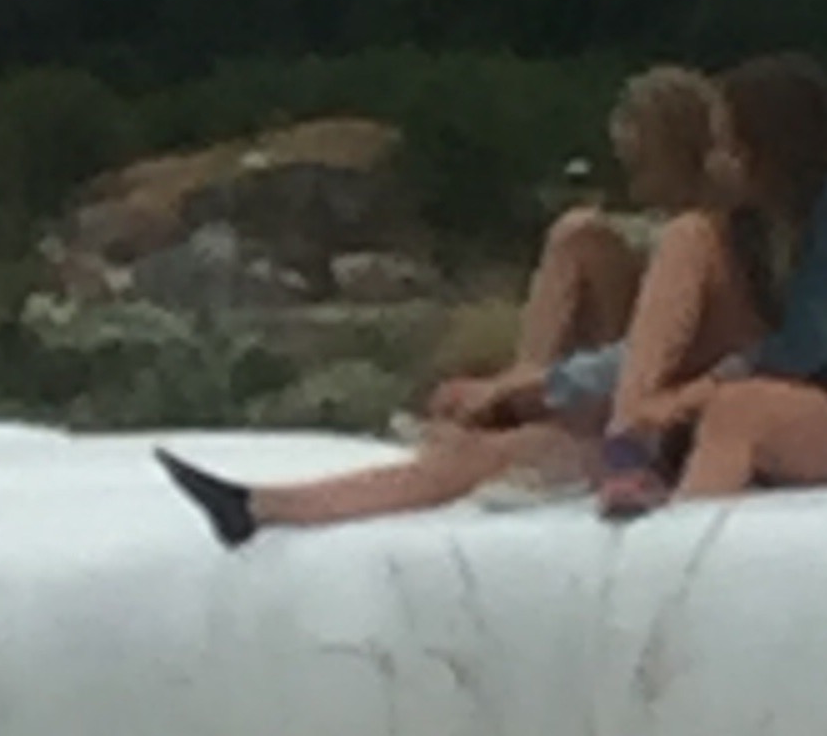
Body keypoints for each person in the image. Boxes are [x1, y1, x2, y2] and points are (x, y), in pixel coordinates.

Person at [155, 65, 772, 546]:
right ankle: (262, 505)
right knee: (576, 240)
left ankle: (266, 507)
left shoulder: (698, 243)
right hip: (651, 415)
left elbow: (657, 358)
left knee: (475, 461)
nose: (630, 182)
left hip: (656, 433)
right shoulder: (722, 242)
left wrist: (531, 385)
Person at [597, 51, 827, 515]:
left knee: (739, 411)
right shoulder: (754, 222)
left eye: (726, 146)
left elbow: (811, 342)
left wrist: (696, 393)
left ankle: (684, 534)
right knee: (690, 241)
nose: (713, 163)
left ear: (767, 147)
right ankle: (633, 443)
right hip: (787, 393)